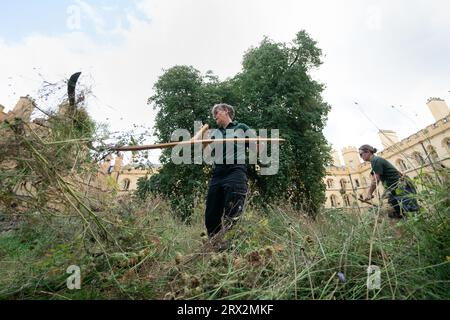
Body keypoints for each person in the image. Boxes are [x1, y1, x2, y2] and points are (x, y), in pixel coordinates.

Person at [204, 103, 252, 240]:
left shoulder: (241, 127)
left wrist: (258, 141)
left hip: (236, 170)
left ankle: (231, 249)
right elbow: (207, 155)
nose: (214, 117)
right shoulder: (215, 133)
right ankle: (215, 247)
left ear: (225, 111)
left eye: (216, 113)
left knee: (232, 212)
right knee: (211, 215)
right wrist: (204, 142)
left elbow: (257, 148)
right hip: (218, 173)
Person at [359, 144, 419, 218]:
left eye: (361, 154)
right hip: (394, 189)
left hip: (402, 187)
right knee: (394, 211)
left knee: (413, 212)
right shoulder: (375, 161)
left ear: (368, 152)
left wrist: (369, 193)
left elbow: (376, 179)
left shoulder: (376, 160)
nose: (361, 157)